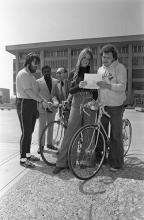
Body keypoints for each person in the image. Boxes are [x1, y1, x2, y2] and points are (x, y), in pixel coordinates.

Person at [53, 48, 98, 174]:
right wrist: (80, 86)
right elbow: (71, 91)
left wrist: (94, 99)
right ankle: (63, 162)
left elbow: (95, 93)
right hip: (76, 103)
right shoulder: (73, 73)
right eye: (84, 58)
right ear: (80, 58)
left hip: (89, 104)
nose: (86, 61)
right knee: (71, 133)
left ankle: (86, 161)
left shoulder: (93, 73)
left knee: (88, 133)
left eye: (88, 59)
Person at [97, 44, 127, 172]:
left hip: (116, 106)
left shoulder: (120, 68)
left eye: (108, 57)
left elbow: (122, 86)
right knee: (101, 133)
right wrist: (98, 101)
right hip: (103, 106)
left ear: (114, 57)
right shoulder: (100, 70)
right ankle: (102, 159)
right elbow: (99, 87)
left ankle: (116, 163)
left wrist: (108, 85)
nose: (105, 59)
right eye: (103, 57)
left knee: (115, 135)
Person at [16, 53, 49, 168]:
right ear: (29, 62)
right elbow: (28, 91)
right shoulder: (23, 74)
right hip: (24, 103)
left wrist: (44, 100)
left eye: (37, 64)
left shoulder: (31, 76)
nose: (37, 66)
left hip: (31, 103)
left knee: (29, 131)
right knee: (26, 132)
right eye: (35, 64)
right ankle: (23, 159)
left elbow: (36, 92)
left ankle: (28, 155)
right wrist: (41, 101)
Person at [37, 65, 59, 153]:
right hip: (42, 108)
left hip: (52, 108)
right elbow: (36, 94)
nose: (47, 73)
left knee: (51, 126)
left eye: (48, 71)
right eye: (45, 71)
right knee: (42, 127)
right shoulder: (38, 82)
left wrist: (55, 102)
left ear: (50, 71)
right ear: (42, 72)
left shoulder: (56, 81)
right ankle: (41, 146)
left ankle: (50, 144)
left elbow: (56, 94)